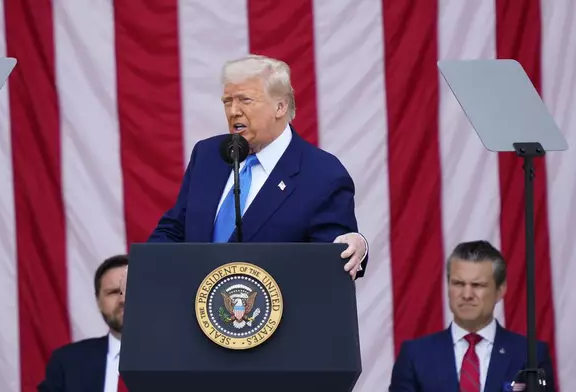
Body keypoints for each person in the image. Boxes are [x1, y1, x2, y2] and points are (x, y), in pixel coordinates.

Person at [135, 54, 369, 283]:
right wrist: (142, 269)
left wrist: (358, 244)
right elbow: (175, 228)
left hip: (274, 316)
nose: (233, 111)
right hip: (194, 311)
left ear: (280, 107)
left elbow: (335, 258)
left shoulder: (322, 174)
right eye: (228, 101)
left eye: (245, 100)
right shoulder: (208, 156)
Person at [389, 240, 555, 392]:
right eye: (458, 284)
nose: (467, 294)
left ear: (500, 290)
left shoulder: (531, 355)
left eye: (478, 285)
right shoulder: (415, 356)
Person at [38, 255, 129, 392]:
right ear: (98, 302)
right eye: (114, 292)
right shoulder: (67, 363)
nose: (123, 300)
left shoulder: (173, 359)